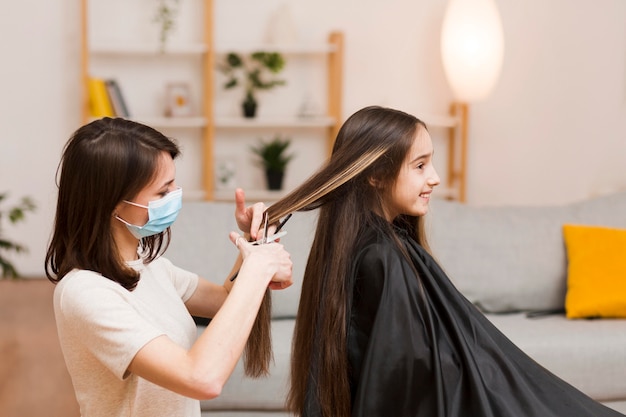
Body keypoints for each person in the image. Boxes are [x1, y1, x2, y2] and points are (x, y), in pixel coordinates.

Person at [262, 105, 625, 417]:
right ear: (375, 175)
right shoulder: (381, 257)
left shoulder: (368, 247)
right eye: (420, 166)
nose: (434, 178)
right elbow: (402, 377)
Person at [45, 117, 293, 417]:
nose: (176, 196)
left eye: (173, 184)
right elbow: (201, 378)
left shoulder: (151, 267)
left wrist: (251, 243)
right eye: (162, 192)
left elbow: (226, 300)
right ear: (111, 202)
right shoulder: (85, 293)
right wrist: (258, 271)